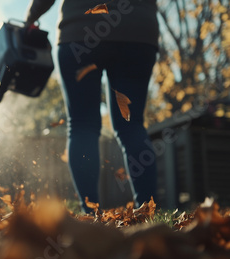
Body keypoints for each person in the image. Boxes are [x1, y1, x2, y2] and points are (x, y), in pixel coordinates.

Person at [25, 0, 159, 212]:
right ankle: (148, 211)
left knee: (82, 126)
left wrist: (31, 17)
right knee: (132, 126)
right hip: (138, 32)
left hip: (80, 30)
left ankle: (90, 212)